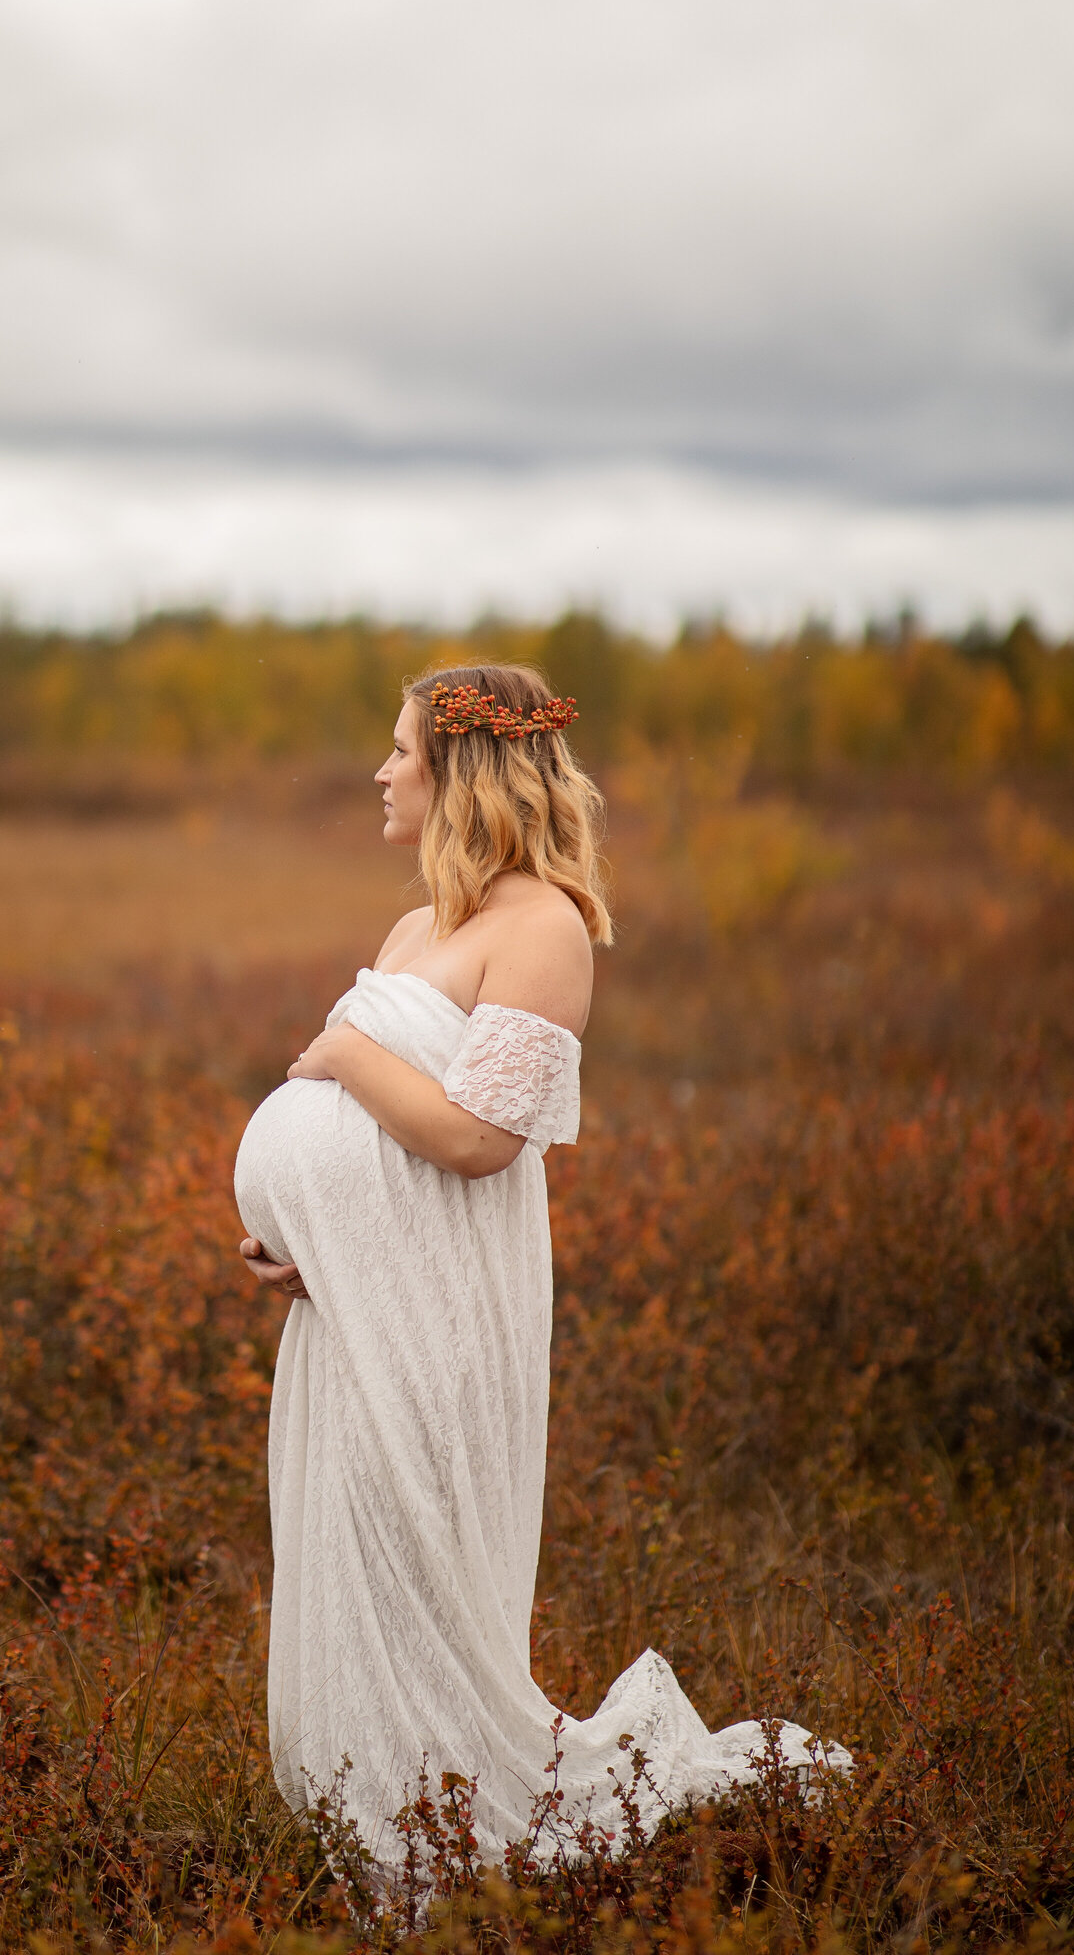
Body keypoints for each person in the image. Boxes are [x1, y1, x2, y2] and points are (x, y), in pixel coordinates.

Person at [234, 663, 845, 1866]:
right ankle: (374, 1820)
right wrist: (310, 1245)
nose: (380, 771)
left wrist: (343, 1055)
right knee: (352, 1568)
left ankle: (450, 1847)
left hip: (441, 1321)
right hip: (357, 1313)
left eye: (400, 750)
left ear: (461, 773)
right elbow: (389, 1156)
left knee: (416, 1576)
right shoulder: (417, 926)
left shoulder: (545, 930)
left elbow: (479, 1140)